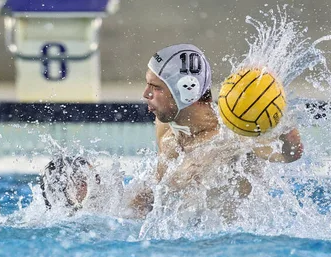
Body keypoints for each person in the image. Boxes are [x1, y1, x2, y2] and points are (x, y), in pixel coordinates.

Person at [40, 44, 303, 220]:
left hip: (221, 250)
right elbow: (153, 198)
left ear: (186, 90)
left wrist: (284, 127)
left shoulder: (233, 138)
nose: (145, 94)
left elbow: (290, 155)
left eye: (155, 87)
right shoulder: (167, 127)